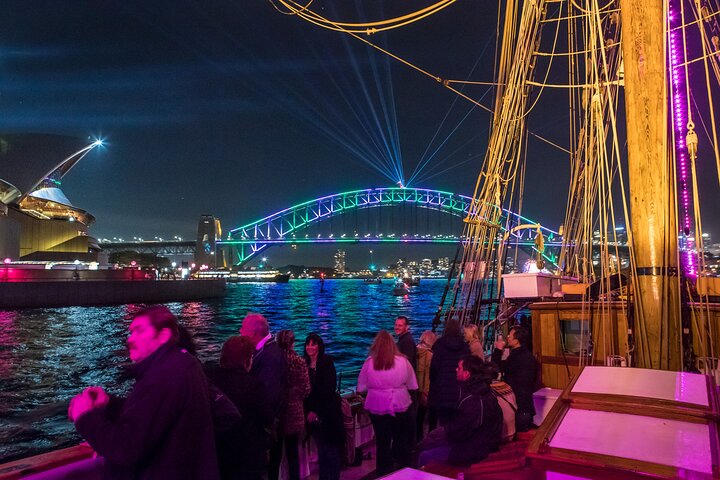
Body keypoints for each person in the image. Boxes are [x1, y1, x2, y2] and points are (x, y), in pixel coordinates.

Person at [68, 305, 219, 479]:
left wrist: (84, 417)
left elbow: (125, 449)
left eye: (139, 331)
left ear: (163, 336)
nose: (130, 339)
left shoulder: (162, 377)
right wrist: (110, 404)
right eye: (131, 332)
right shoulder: (184, 365)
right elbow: (154, 416)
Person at [206, 336, 272, 480]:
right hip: (247, 455)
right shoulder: (254, 385)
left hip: (218, 452)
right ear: (247, 360)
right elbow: (267, 417)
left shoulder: (209, 379)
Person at [417, 356, 503, 467]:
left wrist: (442, 432)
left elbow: (460, 430)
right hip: (482, 442)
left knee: (425, 454)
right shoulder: (483, 390)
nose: (456, 369)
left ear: (467, 374)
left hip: (476, 449)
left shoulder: (473, 398)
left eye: (459, 368)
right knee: (430, 441)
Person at [357, 330, 418, 476]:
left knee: (382, 442)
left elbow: (361, 387)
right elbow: (413, 385)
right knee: (401, 439)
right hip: (400, 404)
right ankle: (404, 472)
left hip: (377, 405)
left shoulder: (370, 363)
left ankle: (384, 473)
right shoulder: (404, 361)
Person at [239, 313, 288, 480]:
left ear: (252, 332)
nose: (240, 331)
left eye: (243, 328)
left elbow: (269, 396)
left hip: (265, 432)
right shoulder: (271, 351)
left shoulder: (269, 356)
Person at [304, 333, 345, 480]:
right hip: (312, 414)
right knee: (321, 450)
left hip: (328, 414)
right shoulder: (305, 363)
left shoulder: (326, 361)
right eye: (308, 344)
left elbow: (328, 388)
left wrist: (315, 410)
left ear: (319, 346)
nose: (310, 347)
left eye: (313, 344)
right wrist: (309, 411)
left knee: (330, 450)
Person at [276, 330, 311, 480]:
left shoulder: (274, 361)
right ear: (293, 343)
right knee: (293, 454)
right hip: (295, 411)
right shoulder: (299, 361)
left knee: (275, 456)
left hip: (276, 412)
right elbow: (306, 389)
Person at [491, 325, 538, 432]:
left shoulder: (517, 357)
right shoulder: (527, 355)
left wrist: (498, 350)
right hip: (525, 405)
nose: (507, 337)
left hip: (519, 406)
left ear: (517, 340)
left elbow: (496, 366)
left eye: (510, 336)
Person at [428, 320, 471, 425]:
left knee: (443, 422)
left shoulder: (440, 345)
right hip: (459, 389)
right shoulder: (464, 347)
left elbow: (434, 368)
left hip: (442, 389)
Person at [415, 330, 438, 441]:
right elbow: (430, 375)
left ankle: (416, 439)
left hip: (415, 390)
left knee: (417, 418)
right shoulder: (430, 355)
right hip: (425, 391)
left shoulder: (414, 352)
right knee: (425, 416)